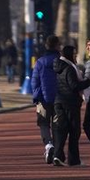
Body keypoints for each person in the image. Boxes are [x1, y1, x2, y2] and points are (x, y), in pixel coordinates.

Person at [52, 42, 86, 167]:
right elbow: (74, 86)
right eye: (74, 54)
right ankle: (74, 159)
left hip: (59, 100)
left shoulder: (59, 66)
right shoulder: (70, 68)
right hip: (70, 103)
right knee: (74, 131)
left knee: (60, 129)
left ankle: (57, 155)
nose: (76, 56)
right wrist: (88, 82)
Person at [31, 35, 61, 164]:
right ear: (57, 46)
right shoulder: (61, 61)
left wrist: (37, 96)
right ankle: (57, 148)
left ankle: (48, 145)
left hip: (43, 98)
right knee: (57, 124)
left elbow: (35, 81)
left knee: (43, 123)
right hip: (59, 98)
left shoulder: (40, 62)